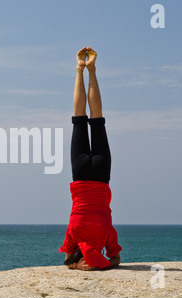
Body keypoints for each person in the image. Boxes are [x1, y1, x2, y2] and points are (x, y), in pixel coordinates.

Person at [58, 47, 122, 271]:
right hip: (81, 173)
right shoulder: (74, 233)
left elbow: (115, 261)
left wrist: (99, 264)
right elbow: (67, 261)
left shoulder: (107, 235)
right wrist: (79, 265)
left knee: (97, 120)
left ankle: (90, 70)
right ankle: (80, 69)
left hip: (102, 174)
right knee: (79, 119)